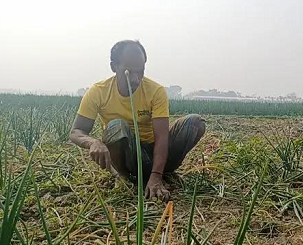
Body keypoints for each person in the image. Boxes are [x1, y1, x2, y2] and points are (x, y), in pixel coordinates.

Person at [70, 40, 205, 202]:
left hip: (153, 152)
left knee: (195, 123)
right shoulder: (98, 92)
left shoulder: (155, 91)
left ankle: (160, 173)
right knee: (116, 126)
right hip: (128, 156)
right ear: (114, 67)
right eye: (128, 72)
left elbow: (162, 138)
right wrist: (92, 142)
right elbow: (76, 131)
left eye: (140, 72)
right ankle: (125, 177)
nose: (135, 79)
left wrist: (156, 176)